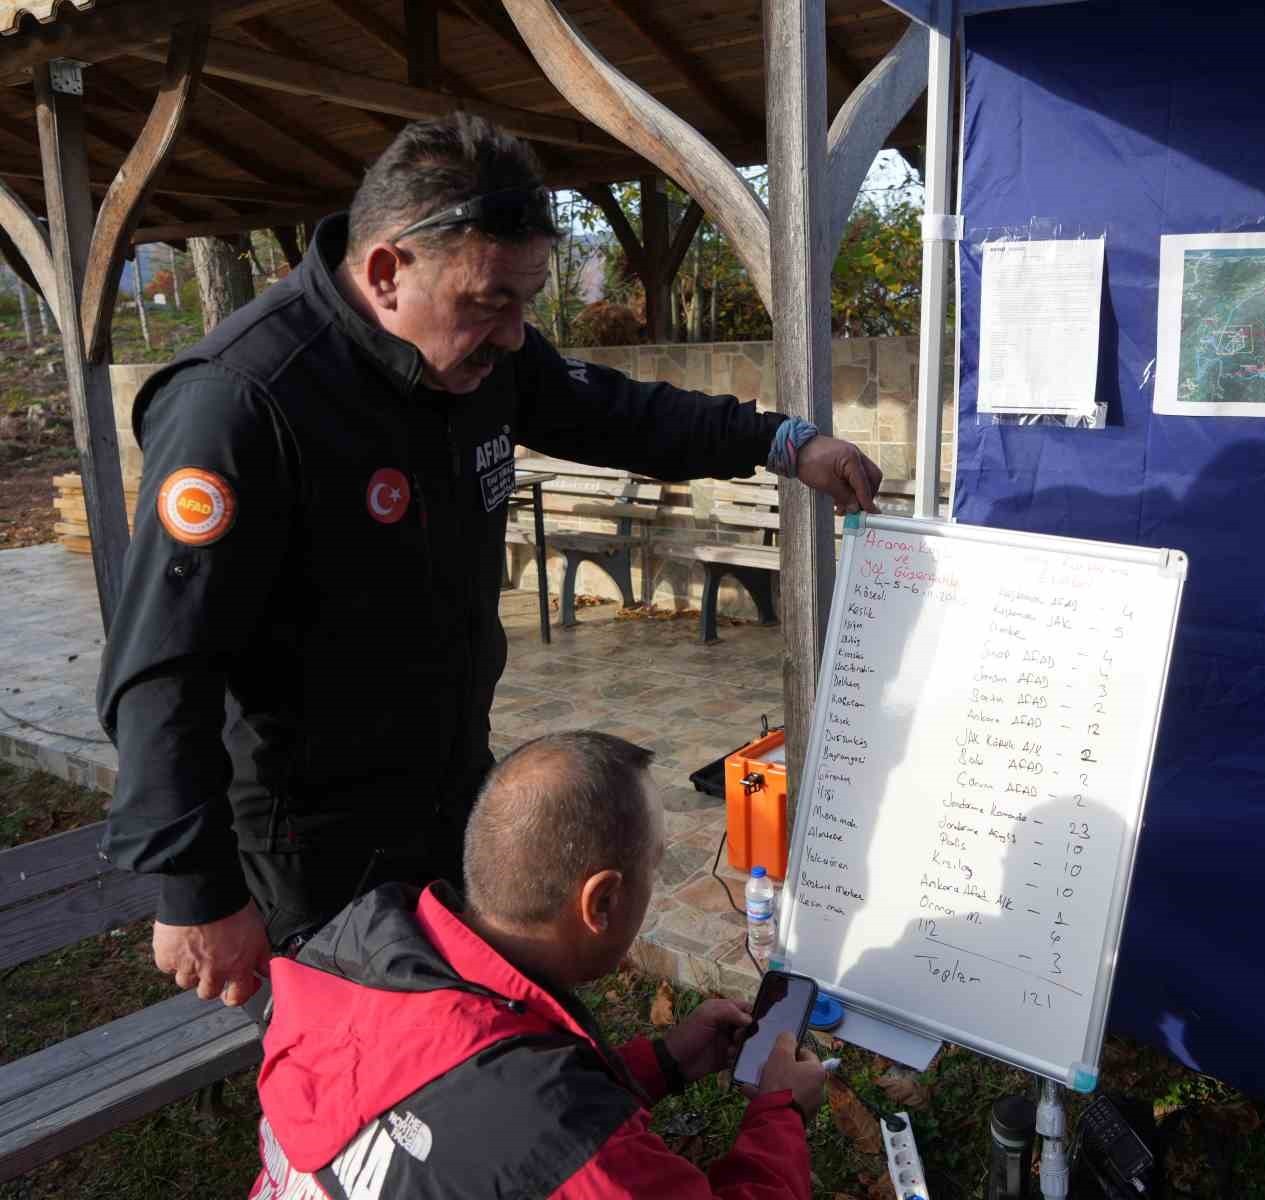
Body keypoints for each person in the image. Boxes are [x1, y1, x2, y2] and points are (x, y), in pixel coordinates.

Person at [96, 113, 883, 1009]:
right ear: (388, 272)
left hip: (451, 790)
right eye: (490, 302)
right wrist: (196, 892)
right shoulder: (242, 403)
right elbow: (163, 670)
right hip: (312, 840)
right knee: (366, 1089)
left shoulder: (481, 356)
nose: (514, 334)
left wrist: (781, 441)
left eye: (527, 301)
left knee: (470, 1041)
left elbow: (616, 412)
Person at [247, 731, 825, 1200]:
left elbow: (451, 1103)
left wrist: (665, 1062)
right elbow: (541, 1136)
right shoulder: (555, 1138)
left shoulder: (355, 954)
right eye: (655, 867)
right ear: (602, 902)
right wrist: (781, 1112)